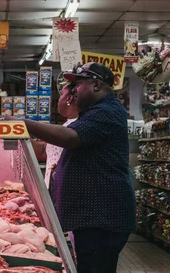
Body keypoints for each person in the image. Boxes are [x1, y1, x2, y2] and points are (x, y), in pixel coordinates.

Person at [17, 62, 136, 273]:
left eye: (77, 84)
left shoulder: (107, 111)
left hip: (102, 220)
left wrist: (21, 123)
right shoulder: (94, 112)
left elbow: (71, 137)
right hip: (94, 218)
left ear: (96, 85)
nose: (73, 91)